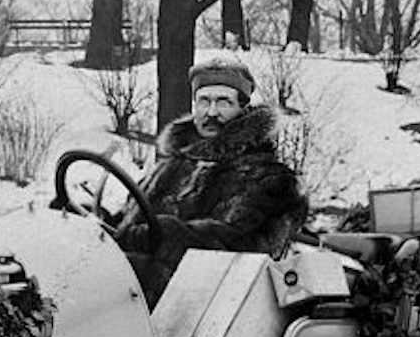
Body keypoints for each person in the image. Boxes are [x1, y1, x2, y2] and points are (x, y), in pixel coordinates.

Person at [115, 55, 307, 304]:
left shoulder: (271, 180)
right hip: (136, 293)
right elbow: (126, 223)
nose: (211, 112)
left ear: (243, 109)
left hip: (204, 308)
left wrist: (173, 232)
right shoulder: (169, 167)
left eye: (223, 102)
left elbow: (242, 251)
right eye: (203, 101)